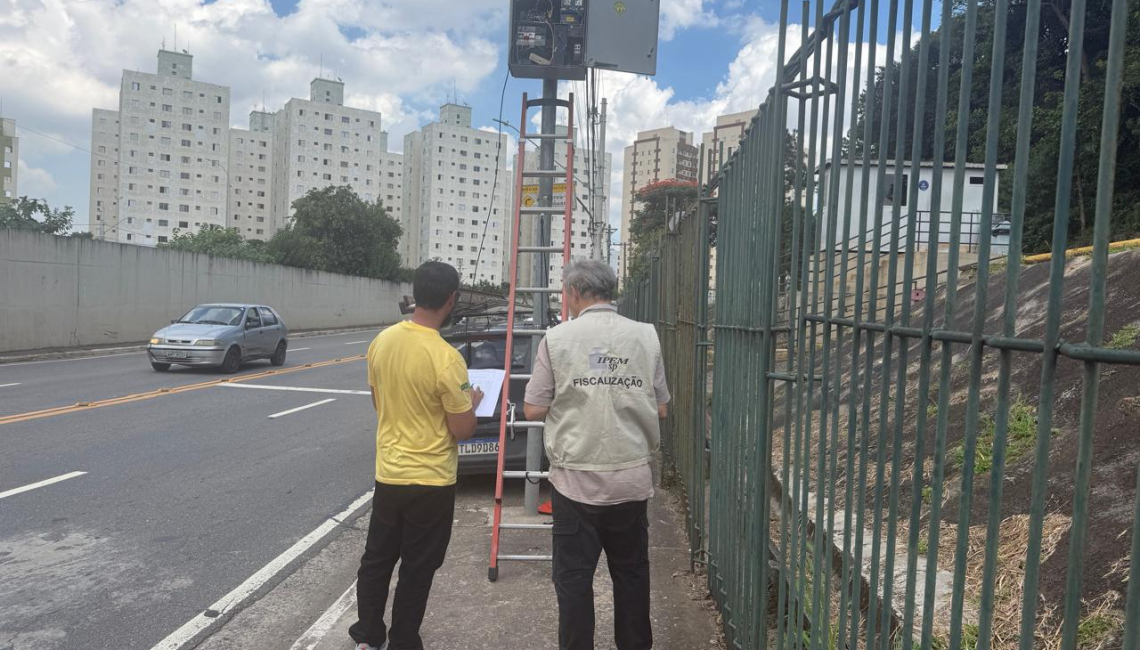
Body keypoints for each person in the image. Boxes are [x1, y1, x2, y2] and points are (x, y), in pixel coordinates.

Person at [524, 259, 670, 650]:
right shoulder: (645, 336)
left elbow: (533, 409)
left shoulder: (557, 339)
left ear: (574, 292)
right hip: (630, 479)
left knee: (573, 580)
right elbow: (661, 408)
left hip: (575, 482)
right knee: (632, 576)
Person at [350, 261, 484, 650]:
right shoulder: (447, 358)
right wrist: (472, 404)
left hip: (389, 473)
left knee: (377, 559)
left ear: (416, 293)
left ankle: (367, 637)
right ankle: (404, 641)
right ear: (452, 299)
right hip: (431, 481)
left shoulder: (382, 341)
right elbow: (462, 430)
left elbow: (380, 403)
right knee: (418, 567)